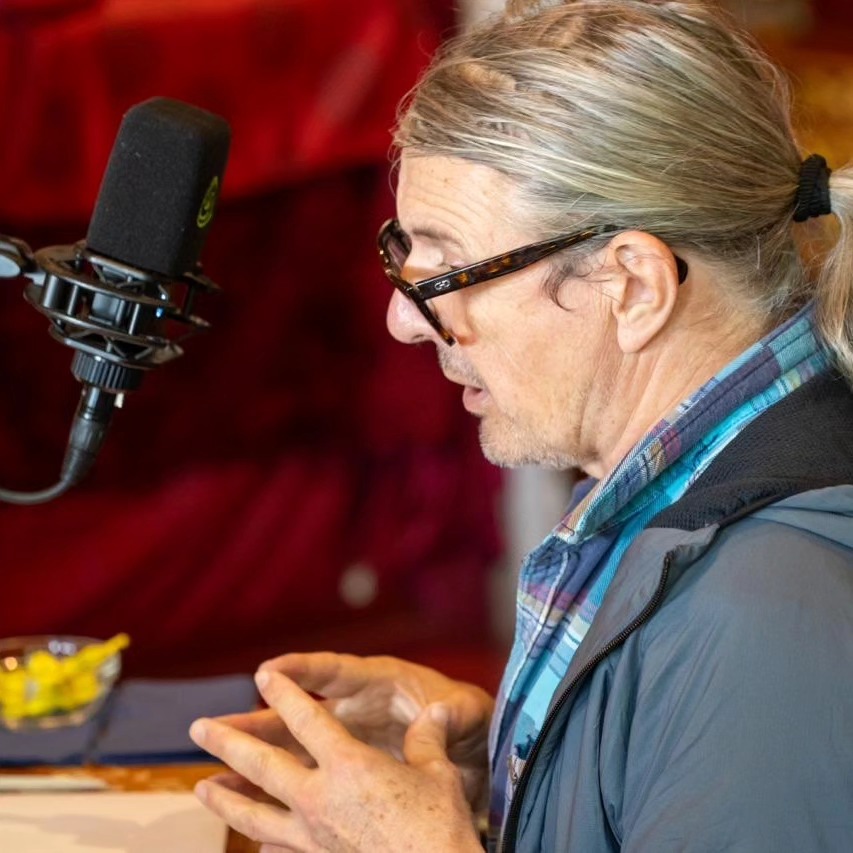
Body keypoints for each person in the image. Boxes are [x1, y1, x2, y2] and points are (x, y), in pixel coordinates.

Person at [188, 1, 853, 850]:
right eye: (404, 255)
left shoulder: (764, 617)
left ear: (632, 287)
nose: (403, 321)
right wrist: (528, 771)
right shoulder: (707, 481)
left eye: (447, 269)